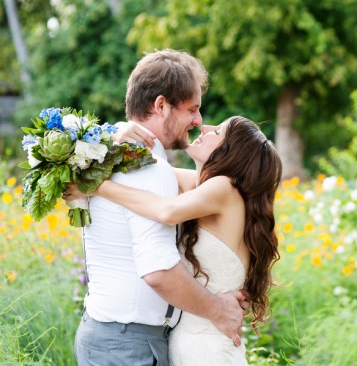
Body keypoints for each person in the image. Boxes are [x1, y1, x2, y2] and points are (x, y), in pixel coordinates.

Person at [68, 49, 249, 366]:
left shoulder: (103, 156)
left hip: (113, 336)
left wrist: (111, 132)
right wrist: (217, 310)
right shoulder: (148, 168)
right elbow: (159, 272)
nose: (198, 121)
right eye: (192, 109)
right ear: (161, 105)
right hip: (128, 343)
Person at [66, 116, 282, 365]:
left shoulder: (224, 188)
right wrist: (122, 131)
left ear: (234, 153)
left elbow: (166, 211)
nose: (206, 127)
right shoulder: (201, 186)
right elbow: (142, 166)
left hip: (208, 351)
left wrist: (96, 187)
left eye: (218, 132)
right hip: (184, 346)